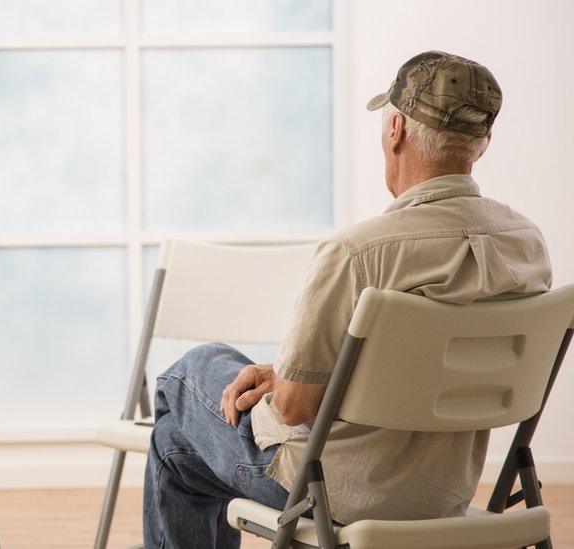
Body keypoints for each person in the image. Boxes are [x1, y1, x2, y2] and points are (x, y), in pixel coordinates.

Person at [143, 51, 552, 548]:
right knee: (174, 445)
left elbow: (293, 409)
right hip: (444, 491)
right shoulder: (526, 244)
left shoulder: (359, 253)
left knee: (192, 372)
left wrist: (290, 381)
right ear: (482, 143)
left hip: (333, 490)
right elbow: (423, 369)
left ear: (396, 129)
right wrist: (295, 374)